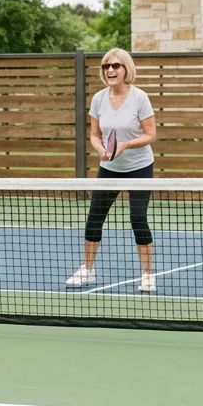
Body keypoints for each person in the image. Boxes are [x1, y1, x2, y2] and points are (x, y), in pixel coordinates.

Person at [66, 48, 158, 291]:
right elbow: (95, 135)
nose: (110, 70)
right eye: (106, 66)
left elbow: (151, 135)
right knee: (94, 217)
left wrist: (127, 144)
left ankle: (148, 274)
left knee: (138, 218)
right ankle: (87, 269)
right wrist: (100, 150)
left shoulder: (140, 98)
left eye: (115, 65)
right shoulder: (98, 99)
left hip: (139, 167)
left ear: (126, 68)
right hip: (109, 167)